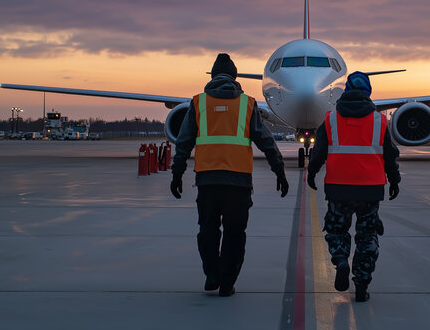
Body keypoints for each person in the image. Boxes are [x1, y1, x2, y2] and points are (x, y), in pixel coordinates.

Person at [170, 53, 289, 297]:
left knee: (207, 229)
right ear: (235, 77)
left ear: (212, 76)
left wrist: (177, 173)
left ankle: (211, 274)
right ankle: (226, 282)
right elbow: (265, 141)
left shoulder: (198, 103)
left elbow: (183, 142)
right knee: (235, 233)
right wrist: (279, 170)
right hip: (238, 181)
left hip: (207, 179)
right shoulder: (247, 104)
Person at [307, 71, 401, 302]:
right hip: (370, 188)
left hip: (338, 187)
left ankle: (340, 261)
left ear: (345, 90)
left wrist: (311, 173)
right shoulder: (379, 120)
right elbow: (390, 155)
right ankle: (361, 285)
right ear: (368, 91)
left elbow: (318, 153)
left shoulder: (330, 119)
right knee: (367, 235)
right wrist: (395, 180)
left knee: (337, 230)